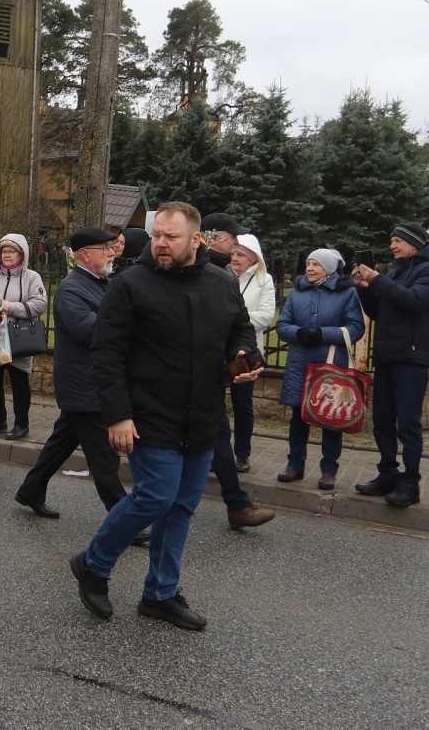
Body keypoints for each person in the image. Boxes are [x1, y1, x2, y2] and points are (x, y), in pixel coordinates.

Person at [69, 202, 258, 631]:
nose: (160, 243)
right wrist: (117, 414)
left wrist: (245, 354)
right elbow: (106, 352)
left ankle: (160, 594)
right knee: (155, 495)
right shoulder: (132, 284)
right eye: (157, 235)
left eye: (170, 237)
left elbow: (239, 330)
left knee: (182, 506)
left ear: (197, 240)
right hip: (149, 412)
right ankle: (94, 565)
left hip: (203, 413)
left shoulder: (221, 281)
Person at [15, 229, 138, 524]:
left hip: (89, 383)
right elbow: (93, 331)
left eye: (112, 247)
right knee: (105, 458)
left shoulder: (101, 283)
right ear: (85, 254)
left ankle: (31, 490)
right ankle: (125, 521)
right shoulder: (73, 289)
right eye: (105, 248)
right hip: (86, 384)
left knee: (62, 442)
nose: (112, 252)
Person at [351, 223, 429, 507]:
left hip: (412, 357)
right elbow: (380, 311)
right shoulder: (397, 272)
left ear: (414, 243)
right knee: (382, 420)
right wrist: (365, 289)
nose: (392, 246)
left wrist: (379, 280)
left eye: (397, 241)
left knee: (408, 423)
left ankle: (410, 483)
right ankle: (387, 475)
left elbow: (414, 301)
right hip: (387, 356)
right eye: (391, 241)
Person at [275, 249, 365, 489]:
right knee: (298, 417)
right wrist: (299, 333)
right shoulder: (297, 292)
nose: (310, 269)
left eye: (316, 264)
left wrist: (323, 334)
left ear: (330, 268)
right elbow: (282, 325)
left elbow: (356, 328)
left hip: (330, 363)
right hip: (300, 362)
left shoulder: (347, 293)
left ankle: (328, 470)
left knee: (331, 417)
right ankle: (294, 465)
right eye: (308, 264)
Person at [0, 232, 46, 439]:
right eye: (3, 251)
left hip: (17, 335)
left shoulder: (32, 277)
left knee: (18, 380)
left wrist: (11, 307)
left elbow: (39, 304)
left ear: (21, 254)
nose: (6, 254)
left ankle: (22, 424)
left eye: (11, 251)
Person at [223, 233, 275, 472]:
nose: (235, 258)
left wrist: (234, 320)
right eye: (233, 253)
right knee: (214, 404)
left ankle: (242, 454)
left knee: (242, 404)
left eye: (240, 255)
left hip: (245, 352)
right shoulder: (221, 277)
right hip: (219, 349)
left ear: (253, 259)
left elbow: (265, 316)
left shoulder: (265, 281)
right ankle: (217, 453)